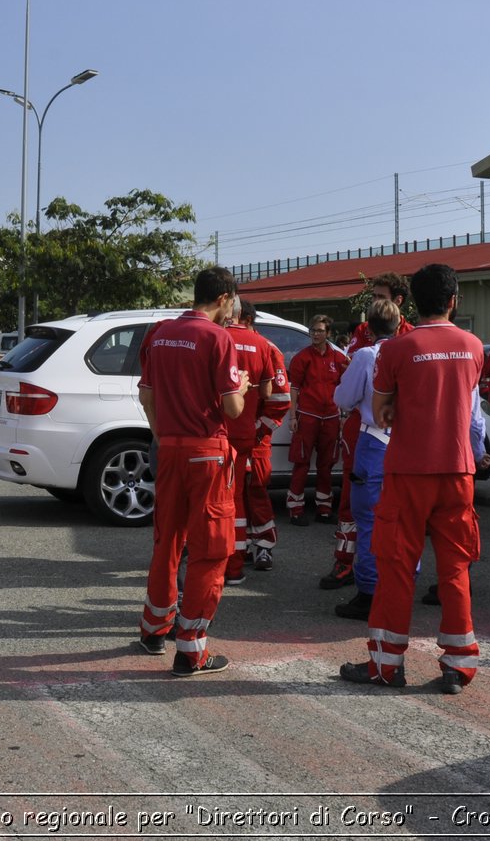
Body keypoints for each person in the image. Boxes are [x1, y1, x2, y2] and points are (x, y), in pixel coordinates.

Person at [338, 263, 484, 692]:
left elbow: (382, 411)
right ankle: (459, 665)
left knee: (396, 568)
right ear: (454, 301)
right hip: (458, 471)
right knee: (455, 569)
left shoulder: (396, 350)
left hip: (405, 471)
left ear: (411, 303)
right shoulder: (474, 346)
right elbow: (471, 411)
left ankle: (386, 665)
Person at [137, 266, 248, 676]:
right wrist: (245, 387)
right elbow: (232, 408)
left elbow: (146, 395)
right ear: (223, 298)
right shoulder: (218, 337)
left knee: (168, 540)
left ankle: (154, 629)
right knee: (210, 549)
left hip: (169, 449)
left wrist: (163, 434)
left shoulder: (161, 332)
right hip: (207, 452)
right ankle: (191, 649)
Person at [325, 274, 413, 588]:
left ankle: (374, 579)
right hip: (364, 432)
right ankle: (346, 563)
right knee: (353, 503)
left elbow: (346, 391)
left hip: (380, 434)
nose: (373, 301)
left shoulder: (409, 339)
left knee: (383, 509)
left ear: (397, 301)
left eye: (378, 296)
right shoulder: (362, 334)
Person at [222, 300, 275, 584]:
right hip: (244, 433)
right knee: (236, 499)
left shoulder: (218, 337)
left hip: (216, 431)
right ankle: (234, 566)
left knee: (212, 499)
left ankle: (212, 561)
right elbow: (268, 390)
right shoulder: (261, 343)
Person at [286, 314, 347, 526]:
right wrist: (293, 416)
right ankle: (295, 509)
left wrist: (343, 417)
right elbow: (294, 388)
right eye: (313, 330)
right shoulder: (302, 358)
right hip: (308, 417)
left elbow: (345, 388)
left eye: (320, 330)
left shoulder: (339, 359)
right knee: (301, 462)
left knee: (326, 464)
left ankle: (324, 509)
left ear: (328, 333)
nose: (315, 334)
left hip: (331, 417)